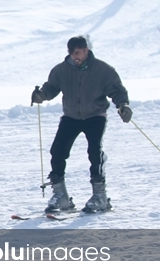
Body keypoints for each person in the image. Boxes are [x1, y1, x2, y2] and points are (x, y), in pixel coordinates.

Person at [31, 36, 132, 213]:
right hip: (71, 116)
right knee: (57, 151)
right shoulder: (61, 70)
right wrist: (41, 95)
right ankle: (61, 196)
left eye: (77, 52)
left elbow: (117, 90)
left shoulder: (103, 70)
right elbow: (51, 87)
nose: (74, 56)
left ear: (86, 50)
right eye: (71, 53)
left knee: (94, 151)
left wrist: (123, 106)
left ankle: (99, 196)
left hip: (95, 116)